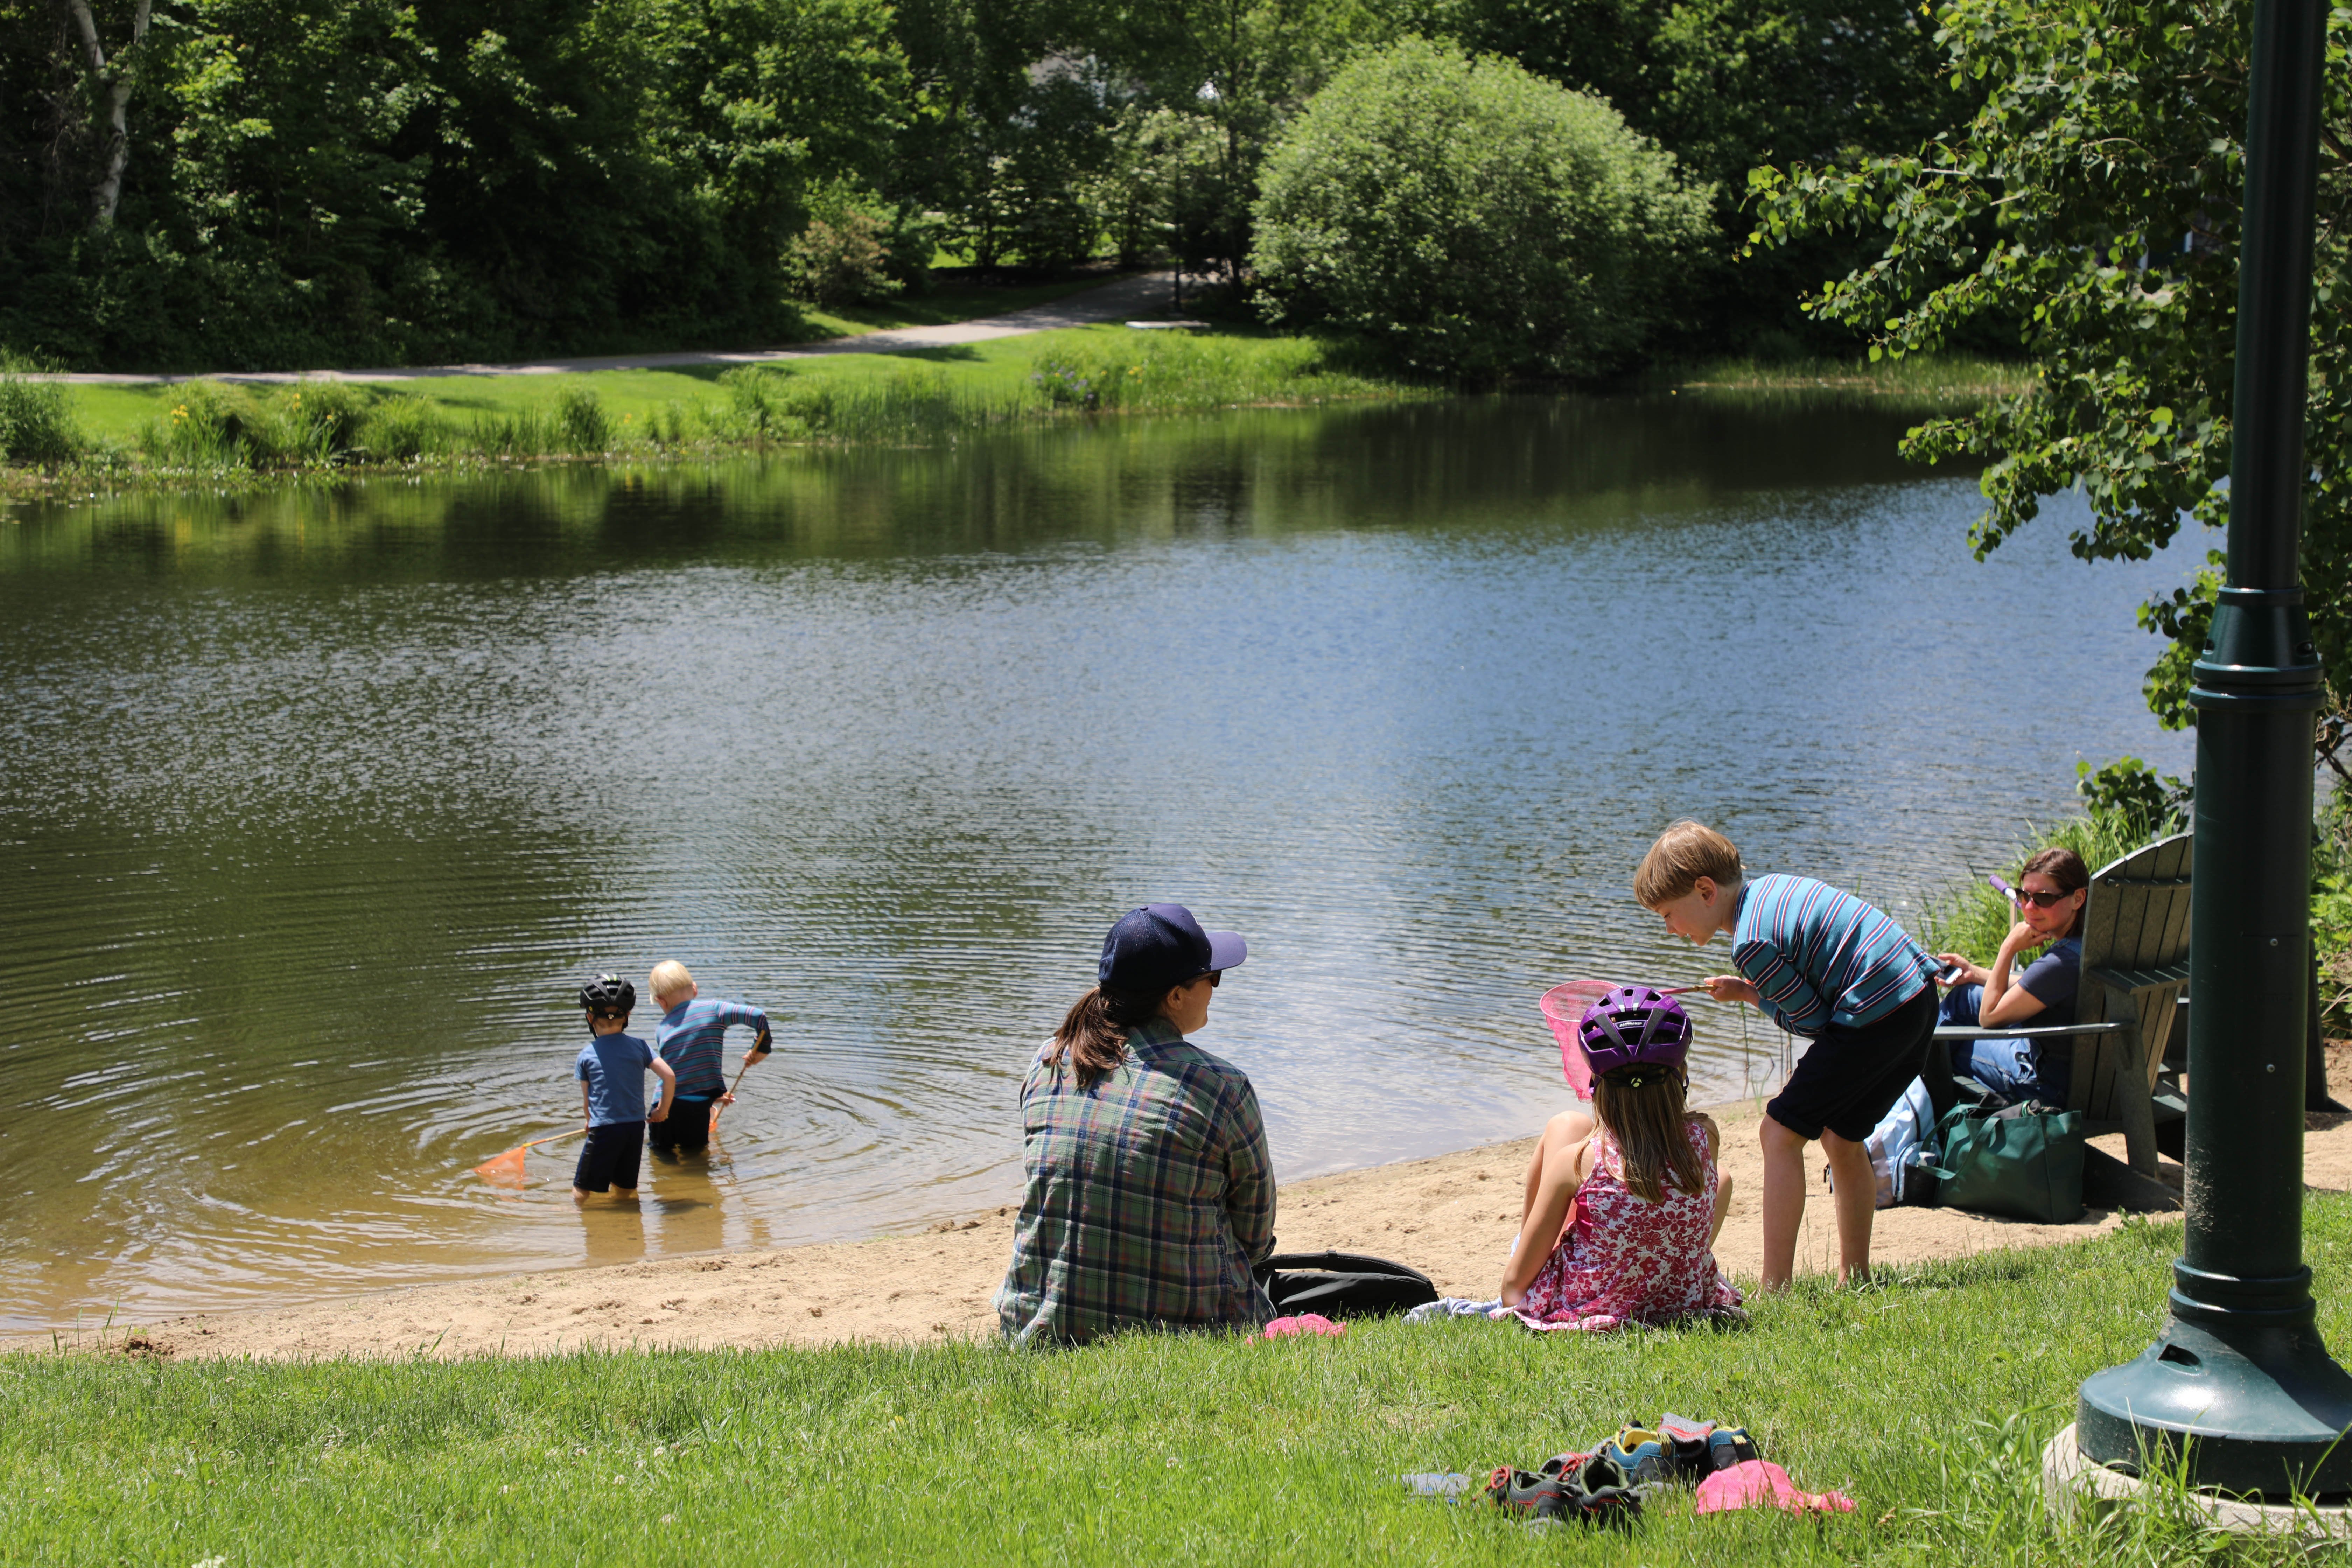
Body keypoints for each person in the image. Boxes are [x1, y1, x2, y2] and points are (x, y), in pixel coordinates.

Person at [1637, 820, 1939, 1291]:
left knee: (1779, 1131)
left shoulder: (1751, 943)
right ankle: (1855, 1276)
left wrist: (1751, 996)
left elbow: (1813, 1023)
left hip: (1875, 1014)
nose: (1671, 929)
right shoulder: (1770, 890)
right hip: (1916, 997)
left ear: (1705, 890)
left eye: (1668, 915)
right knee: (1841, 1137)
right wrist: (1748, 989)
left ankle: (1775, 1288)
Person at [995, 903, 1275, 1343]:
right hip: (1189, 1335)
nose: (1217, 989)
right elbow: (1255, 1239)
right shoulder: (1222, 1087)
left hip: (1037, 1332)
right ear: (1176, 996)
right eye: (1213, 977)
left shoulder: (1048, 1060)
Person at [1500, 987, 1741, 1331]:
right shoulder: (1707, 1136)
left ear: (1597, 1083)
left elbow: (1512, 1290)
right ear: (1681, 1074)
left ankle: (1531, 1242)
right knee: (1723, 1177)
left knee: (1566, 1124)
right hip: (1677, 1303)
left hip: (1585, 1305)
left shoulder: (1579, 1161)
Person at [1929, 847, 2089, 1105]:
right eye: (2024, 895)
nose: (2029, 907)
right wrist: (1976, 973)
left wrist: (2008, 947)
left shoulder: (2060, 963)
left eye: (2044, 899)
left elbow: (1990, 1017)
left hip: (2046, 1085)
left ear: (2078, 899)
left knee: (1945, 1047)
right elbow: (2038, 988)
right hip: (2093, 1078)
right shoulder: (2091, 945)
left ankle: (1913, 1108)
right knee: (1965, 996)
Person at [647, 961, 771, 1157]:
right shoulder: (715, 1010)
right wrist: (761, 1049)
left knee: (662, 1157)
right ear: (695, 989)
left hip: (664, 1106)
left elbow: (679, 1070)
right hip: (696, 1110)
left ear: (661, 1001)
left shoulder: (662, 1028)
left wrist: (713, 1095)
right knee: (697, 1160)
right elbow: (759, 1016)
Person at [573, 974, 676, 1204]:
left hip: (605, 1131)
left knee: (583, 1187)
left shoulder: (587, 1055)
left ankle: (577, 1216)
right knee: (625, 1186)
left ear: (590, 1017)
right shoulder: (640, 1047)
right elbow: (669, 1076)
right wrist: (663, 1110)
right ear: (627, 1015)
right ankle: (628, 1220)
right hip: (635, 1128)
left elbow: (587, 1102)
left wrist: (590, 1121)